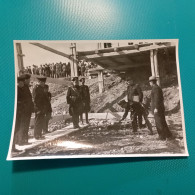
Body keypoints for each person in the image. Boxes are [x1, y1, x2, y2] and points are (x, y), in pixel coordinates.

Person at [149, 76, 173, 140]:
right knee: (162, 121)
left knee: (159, 122)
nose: (149, 83)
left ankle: (162, 136)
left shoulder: (155, 88)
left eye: (150, 82)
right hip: (160, 108)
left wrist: (156, 108)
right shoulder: (157, 88)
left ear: (152, 82)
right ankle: (168, 135)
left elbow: (157, 99)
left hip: (158, 108)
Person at [12, 75, 26, 152]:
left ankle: (13, 147)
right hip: (17, 112)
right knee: (14, 129)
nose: (23, 83)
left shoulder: (21, 89)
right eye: (22, 82)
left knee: (17, 129)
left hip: (20, 111)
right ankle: (12, 147)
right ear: (19, 82)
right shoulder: (17, 89)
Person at [21, 74, 34, 144]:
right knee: (24, 126)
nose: (29, 81)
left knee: (26, 125)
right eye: (28, 80)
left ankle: (24, 140)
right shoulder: (23, 88)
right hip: (24, 111)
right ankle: (22, 141)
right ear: (25, 80)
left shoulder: (26, 87)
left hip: (27, 110)